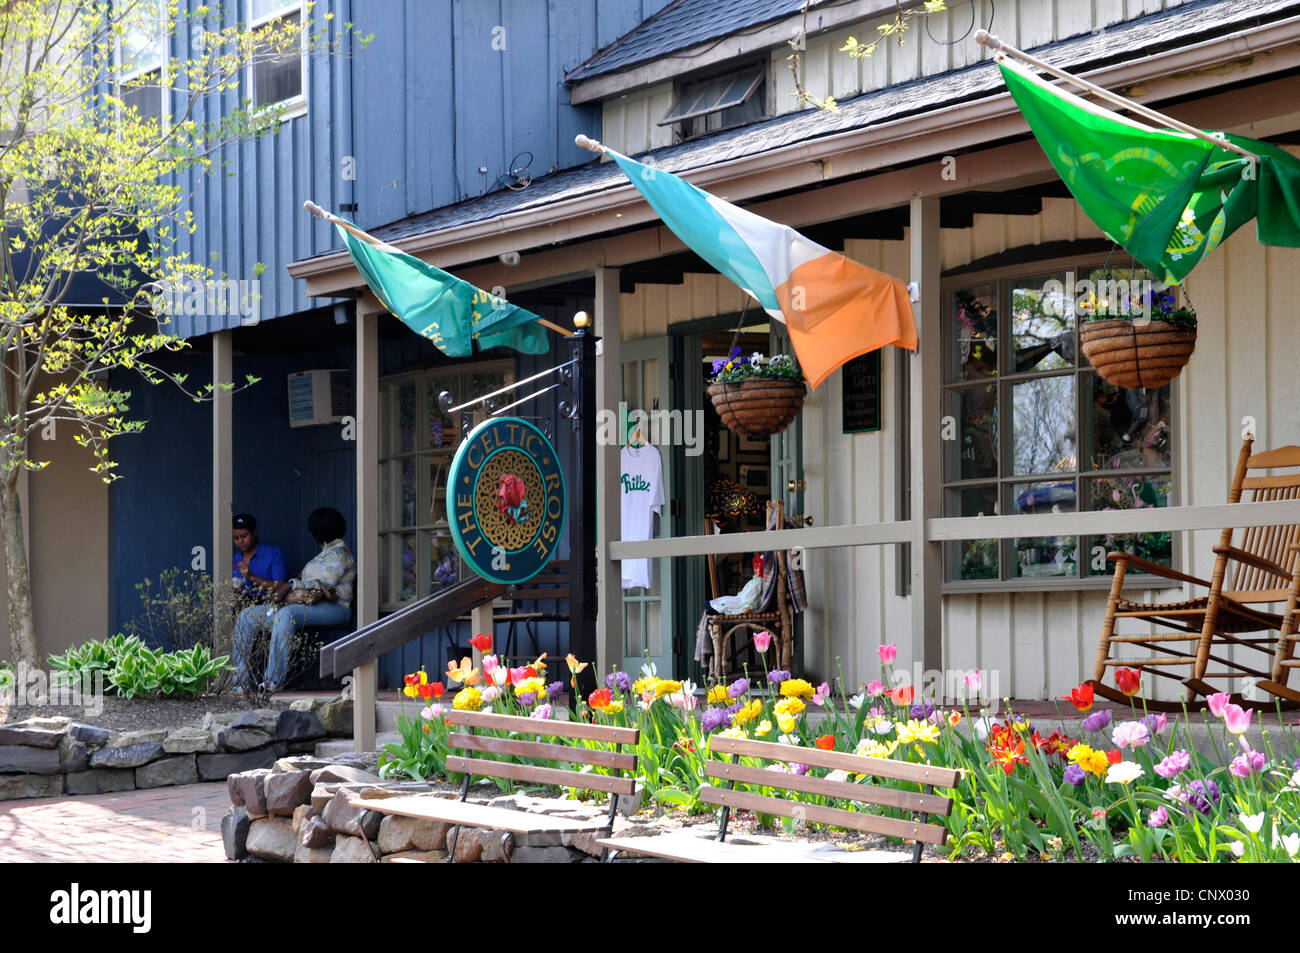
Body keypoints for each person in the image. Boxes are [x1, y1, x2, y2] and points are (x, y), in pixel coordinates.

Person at [232, 507, 356, 693]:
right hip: (308, 605)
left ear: (320, 531)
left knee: (287, 614)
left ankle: (273, 681)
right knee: (247, 616)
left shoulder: (340, 553)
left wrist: (290, 585)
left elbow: (324, 583)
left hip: (335, 607)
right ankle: (239, 681)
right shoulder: (323, 553)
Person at [231, 513, 289, 596]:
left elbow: (281, 586)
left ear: (254, 532)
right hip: (241, 607)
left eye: (244, 536)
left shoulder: (273, 554)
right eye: (236, 538)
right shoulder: (234, 560)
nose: (240, 541)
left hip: (269, 605)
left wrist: (252, 577)